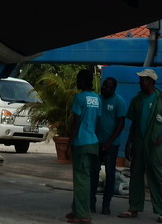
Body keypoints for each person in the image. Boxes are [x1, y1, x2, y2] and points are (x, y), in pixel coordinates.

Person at [119, 69, 162, 223]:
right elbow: (133, 124)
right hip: (138, 143)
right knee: (136, 175)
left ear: (150, 81)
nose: (140, 82)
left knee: (156, 177)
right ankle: (134, 208)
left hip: (153, 144)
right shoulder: (137, 100)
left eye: (142, 80)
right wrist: (129, 144)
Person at [66, 69, 102, 224]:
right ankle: (76, 210)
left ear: (82, 81)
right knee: (85, 178)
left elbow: (75, 123)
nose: (76, 82)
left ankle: (83, 215)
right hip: (93, 142)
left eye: (78, 79)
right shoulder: (97, 99)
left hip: (80, 142)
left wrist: (69, 144)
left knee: (80, 180)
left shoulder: (79, 98)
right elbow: (98, 122)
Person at [92, 77, 127, 215]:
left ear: (113, 89)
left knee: (110, 174)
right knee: (93, 172)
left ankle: (106, 205)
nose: (104, 88)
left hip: (111, 145)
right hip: (97, 142)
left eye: (108, 87)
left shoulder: (119, 102)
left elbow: (121, 124)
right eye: (104, 86)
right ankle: (91, 203)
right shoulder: (98, 100)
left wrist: (109, 142)